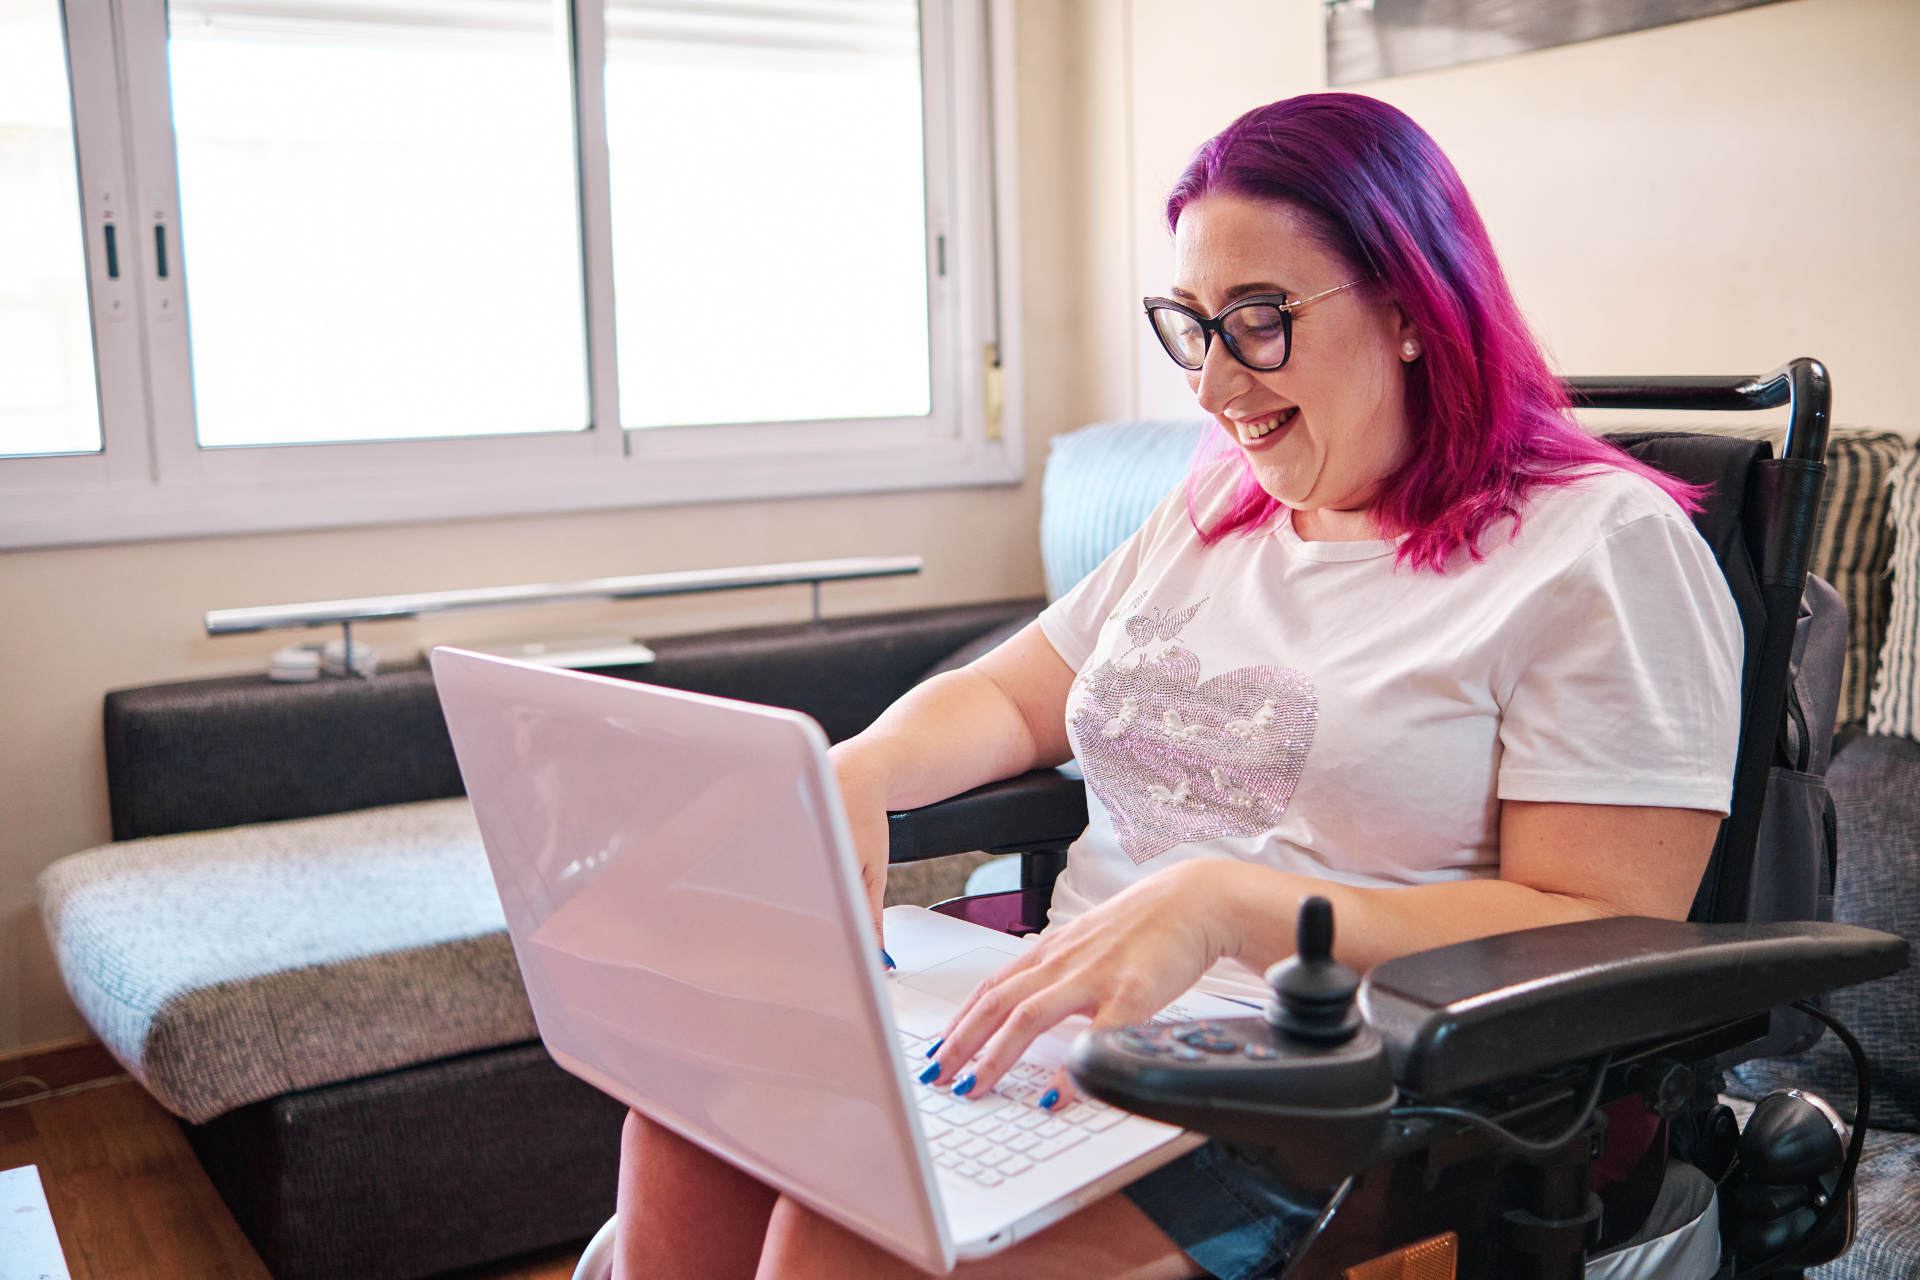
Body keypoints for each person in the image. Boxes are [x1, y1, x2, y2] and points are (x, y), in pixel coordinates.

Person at [611, 92, 1742, 1280]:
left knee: (838, 1243)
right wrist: (857, 769)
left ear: (1410, 308)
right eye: (1192, 324)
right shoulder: (1216, 512)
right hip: (1076, 1031)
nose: (1211, 387)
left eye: (1258, 321)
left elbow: (1603, 924)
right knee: (687, 1127)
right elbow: (1011, 697)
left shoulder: (1597, 546)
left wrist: (1231, 904)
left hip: (1339, 1096)